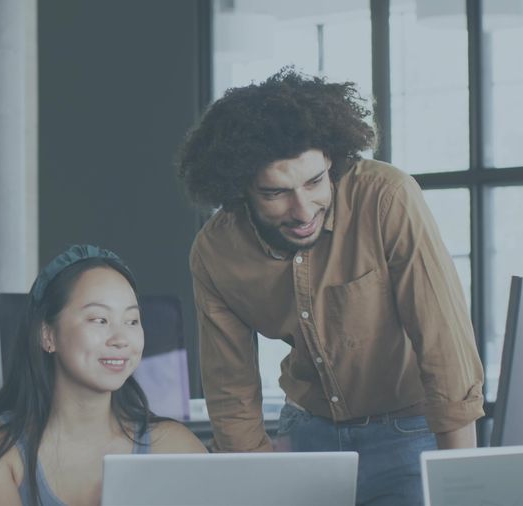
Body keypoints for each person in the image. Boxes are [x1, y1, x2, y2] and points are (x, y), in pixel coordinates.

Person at [176, 68, 484, 506]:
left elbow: (444, 346)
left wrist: (461, 487)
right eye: (275, 193)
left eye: (315, 181)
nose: (303, 210)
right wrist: (257, 482)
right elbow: (231, 393)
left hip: (411, 433)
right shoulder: (215, 252)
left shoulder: (386, 198)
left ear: (333, 162)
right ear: (239, 190)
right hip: (307, 435)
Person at [0, 245, 207, 506]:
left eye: (132, 321)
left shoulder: (176, 447)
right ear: (47, 335)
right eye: (99, 319)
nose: (121, 339)